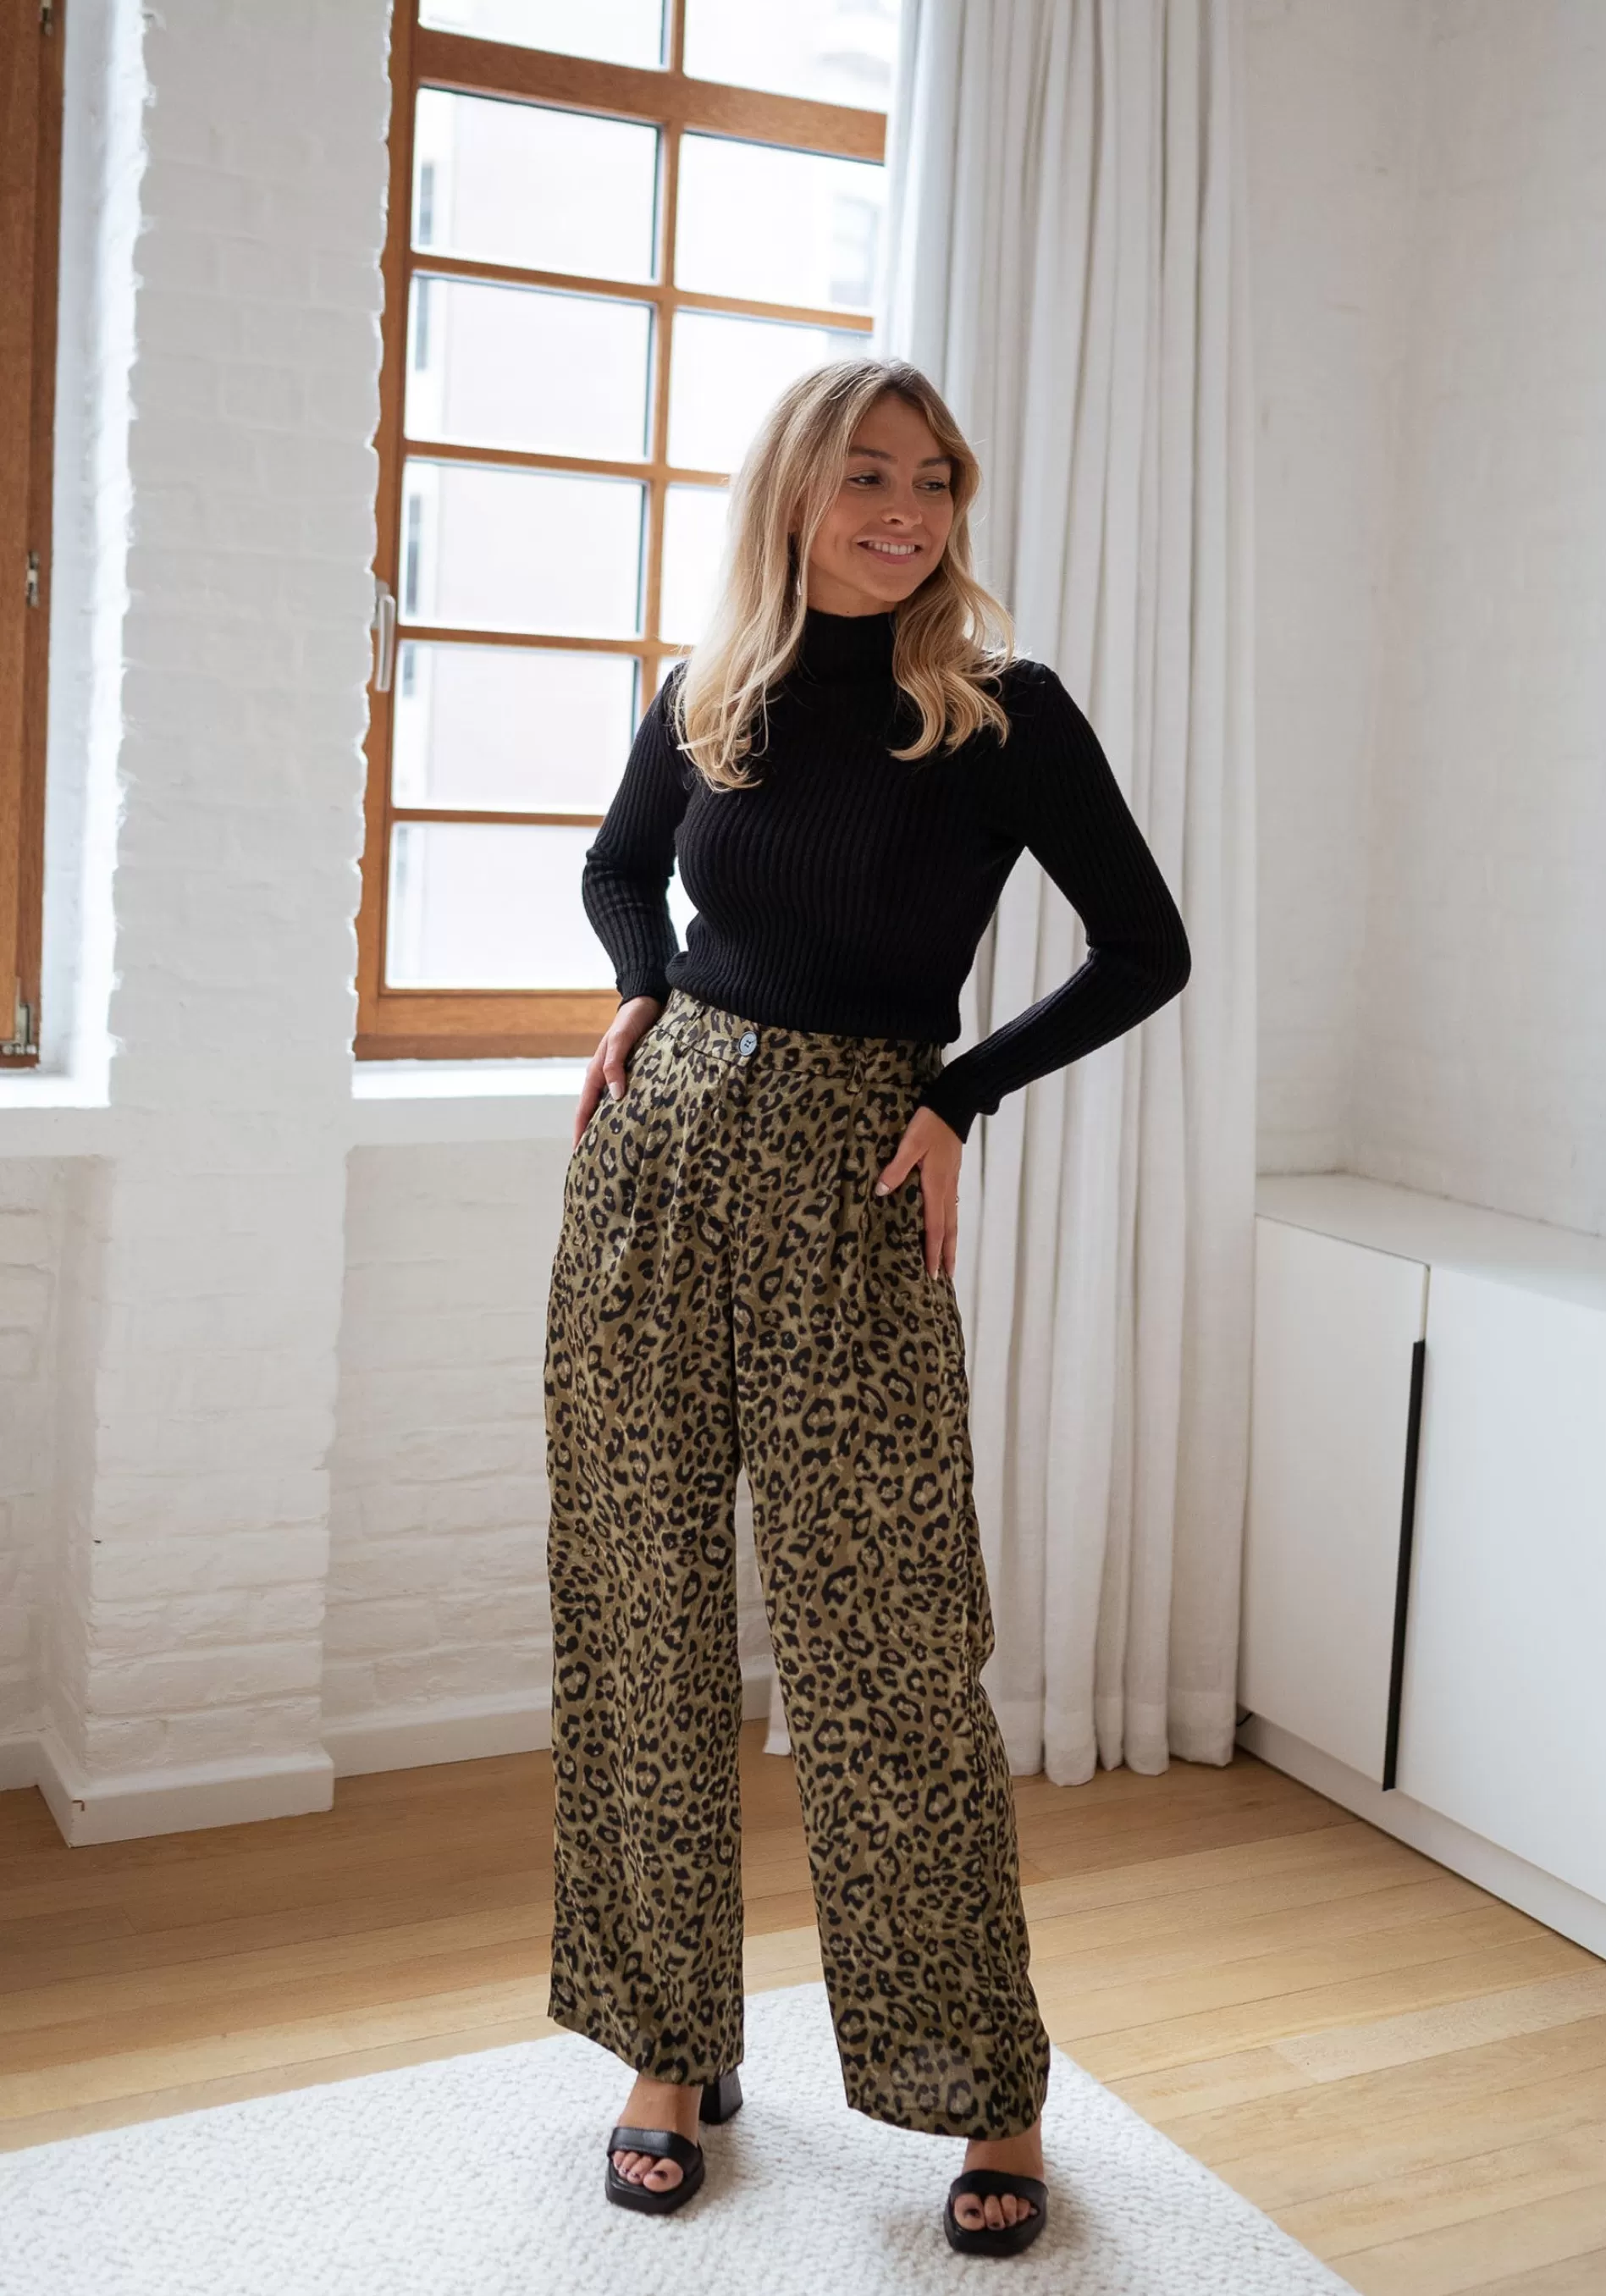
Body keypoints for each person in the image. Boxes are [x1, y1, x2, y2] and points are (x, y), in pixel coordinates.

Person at [544, 356, 1190, 2258]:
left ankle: (989, 2088)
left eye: (934, 480)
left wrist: (957, 1096)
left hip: (856, 1187)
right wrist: (642, 988)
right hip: (655, 1171)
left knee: (890, 1654)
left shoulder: (1000, 714)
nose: (907, 512)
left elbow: (1144, 948)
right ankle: (669, 2053)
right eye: (867, 477)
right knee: (643, 1614)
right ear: (793, 495)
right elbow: (619, 868)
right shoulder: (710, 692)